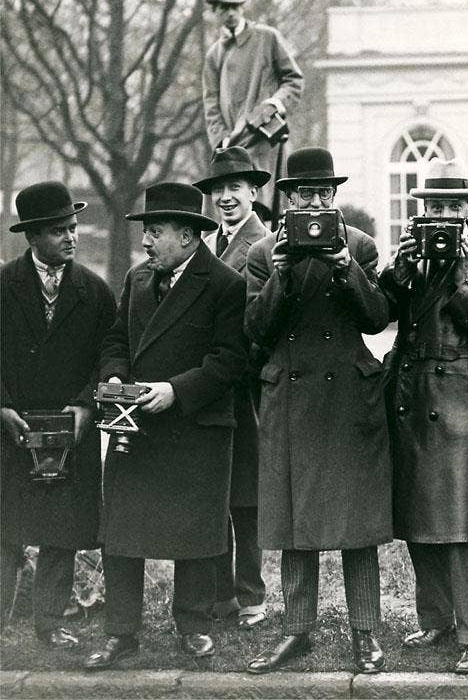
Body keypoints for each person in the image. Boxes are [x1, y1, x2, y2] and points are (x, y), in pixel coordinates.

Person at [85, 182, 247, 669]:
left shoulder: (224, 284)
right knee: (122, 532)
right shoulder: (137, 279)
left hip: (195, 428)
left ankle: (194, 626)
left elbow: (230, 360)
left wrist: (176, 390)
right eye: (146, 232)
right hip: (136, 427)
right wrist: (116, 376)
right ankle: (121, 633)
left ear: (187, 236)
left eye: (155, 232)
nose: (147, 242)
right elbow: (115, 339)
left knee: (194, 533)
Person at [244, 147, 392, 674]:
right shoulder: (264, 252)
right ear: (287, 200)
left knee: (358, 523)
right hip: (292, 395)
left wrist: (346, 268)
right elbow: (255, 330)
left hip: (348, 396)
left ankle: (365, 632)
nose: (314, 204)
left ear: (334, 197)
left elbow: (376, 319)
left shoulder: (359, 245)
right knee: (294, 521)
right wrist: (282, 276)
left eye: (323, 194)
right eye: (304, 194)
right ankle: (296, 631)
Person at [379, 158, 468, 675]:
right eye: (434, 208)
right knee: (417, 513)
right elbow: (379, 314)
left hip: (464, 400)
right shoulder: (415, 256)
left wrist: (464, 281)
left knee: (460, 521)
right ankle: (437, 618)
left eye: (451, 207)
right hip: (412, 394)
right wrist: (396, 273)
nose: (442, 217)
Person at [0, 181, 116, 643]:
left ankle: (49, 624)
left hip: (72, 431)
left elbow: (110, 358)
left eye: (72, 227)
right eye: (57, 231)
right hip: (10, 429)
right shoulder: (2, 286)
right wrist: (1, 407)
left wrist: (87, 405)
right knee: (5, 528)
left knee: (62, 531)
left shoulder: (96, 292)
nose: (70, 237)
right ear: (32, 237)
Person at [195, 146, 269, 628]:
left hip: (248, 387)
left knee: (246, 494)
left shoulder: (266, 243)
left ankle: (251, 594)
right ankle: (220, 592)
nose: (225, 197)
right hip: (210, 383)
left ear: (254, 192)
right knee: (214, 491)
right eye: (218, 189)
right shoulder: (204, 244)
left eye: (235, 188)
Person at [202, 0, 304, 213]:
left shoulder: (267, 38)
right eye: (224, 7)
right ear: (215, 11)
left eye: (235, 6)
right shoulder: (214, 55)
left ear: (242, 8)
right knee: (234, 210)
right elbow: (211, 104)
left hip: (266, 140)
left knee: (271, 209)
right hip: (233, 149)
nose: (230, 13)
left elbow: (294, 80)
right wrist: (222, 139)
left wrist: (275, 103)